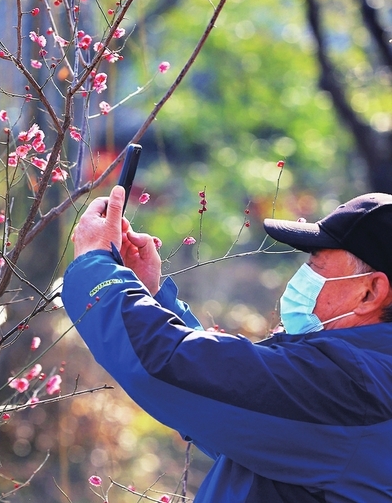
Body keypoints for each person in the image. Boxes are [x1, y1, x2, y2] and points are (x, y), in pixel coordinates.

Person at [63, 187, 392, 501]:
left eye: (315, 266)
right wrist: (149, 298)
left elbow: (169, 365)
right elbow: (232, 414)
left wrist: (96, 265)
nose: (303, 277)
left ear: (370, 292)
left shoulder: (352, 385)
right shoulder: (367, 379)